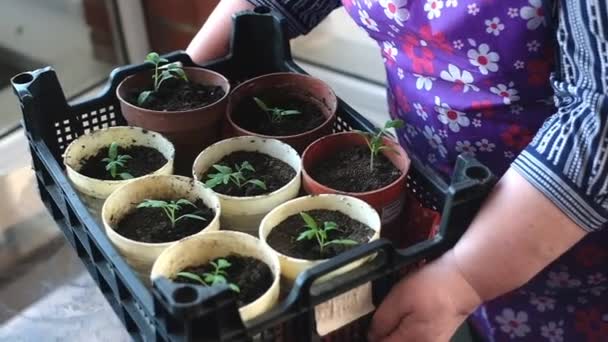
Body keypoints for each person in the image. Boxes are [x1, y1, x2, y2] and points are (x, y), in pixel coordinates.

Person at [187, 0, 608, 340]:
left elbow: (599, 121)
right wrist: (182, 78)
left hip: (560, 231)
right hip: (434, 186)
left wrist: (466, 278)